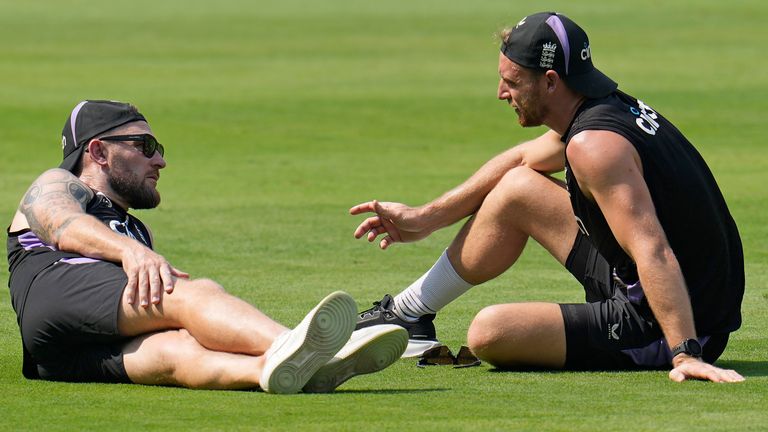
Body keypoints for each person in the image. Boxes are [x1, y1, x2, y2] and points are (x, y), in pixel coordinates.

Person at [351, 12, 745, 382]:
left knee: (490, 331)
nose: (501, 93)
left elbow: (652, 249)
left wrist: (686, 353)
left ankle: (682, 349)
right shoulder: (600, 111)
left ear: (551, 81)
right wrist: (424, 219)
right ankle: (407, 314)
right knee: (518, 187)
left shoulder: (595, 147)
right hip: (657, 287)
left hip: (670, 322)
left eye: (513, 81)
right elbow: (522, 158)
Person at [6, 100, 408, 393]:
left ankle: (275, 369)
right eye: (145, 147)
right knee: (192, 294)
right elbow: (59, 222)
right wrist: (131, 252)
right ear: (98, 152)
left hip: (54, 353)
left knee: (175, 351)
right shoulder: (62, 184)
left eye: (160, 150)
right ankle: (304, 347)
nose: (159, 161)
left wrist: (136, 248)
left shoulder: (136, 230)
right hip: (55, 286)